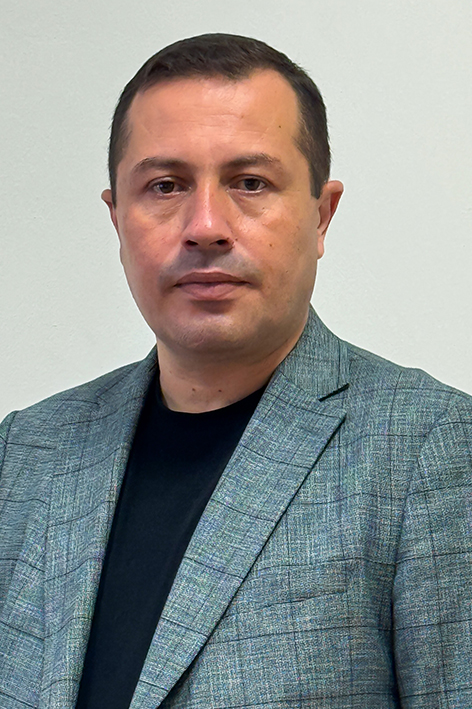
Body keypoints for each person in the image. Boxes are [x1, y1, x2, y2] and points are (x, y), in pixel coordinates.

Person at [1, 33, 471, 709]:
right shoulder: (24, 453)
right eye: (165, 186)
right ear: (117, 219)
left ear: (321, 216)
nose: (206, 226)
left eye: (250, 182)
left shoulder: (432, 450)